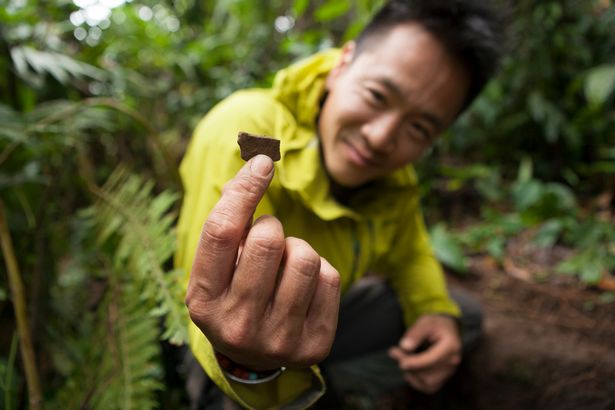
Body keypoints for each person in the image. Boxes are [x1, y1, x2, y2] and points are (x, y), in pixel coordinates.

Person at [177, 0, 505, 408]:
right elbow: (209, 305)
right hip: (223, 345)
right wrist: (244, 360)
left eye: (419, 127)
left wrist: (434, 311)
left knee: (463, 317)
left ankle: (325, 381)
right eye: (377, 95)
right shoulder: (244, 124)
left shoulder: (393, 179)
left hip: (323, 317)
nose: (381, 137)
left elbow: (411, 255)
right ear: (342, 64)